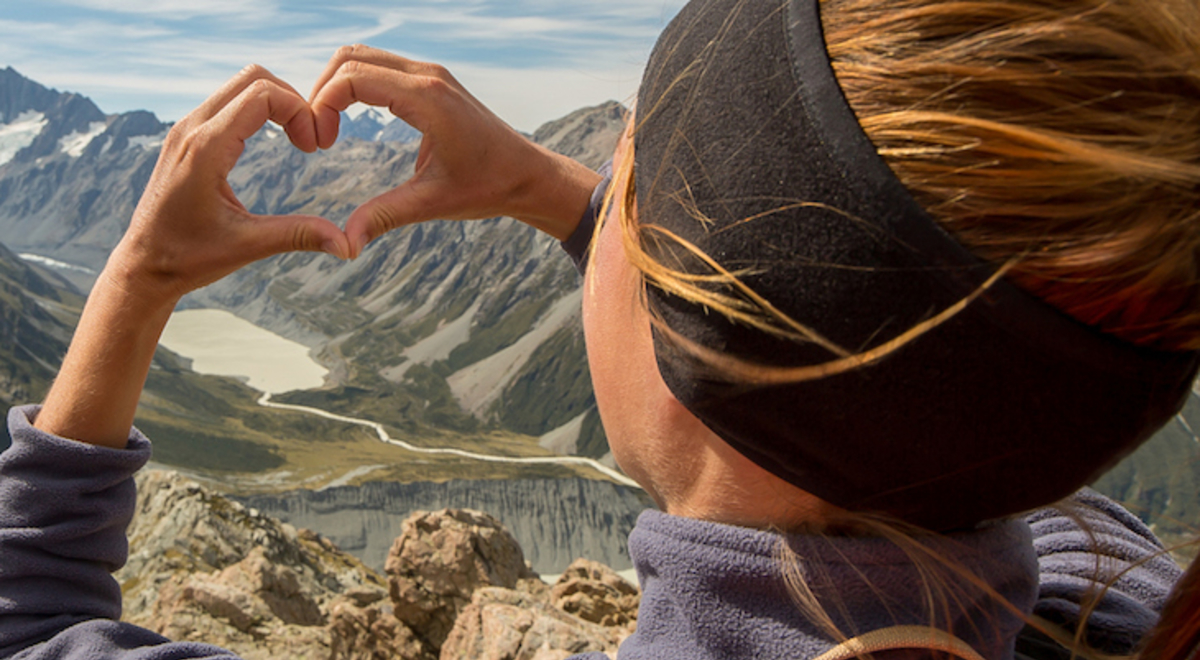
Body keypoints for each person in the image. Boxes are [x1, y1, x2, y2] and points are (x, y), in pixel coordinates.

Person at [1, 0, 1197, 657]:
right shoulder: (1106, 582)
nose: (597, 188)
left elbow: (34, 622)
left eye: (620, 174)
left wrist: (139, 277)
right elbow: (863, 349)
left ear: (698, 357)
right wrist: (561, 199)